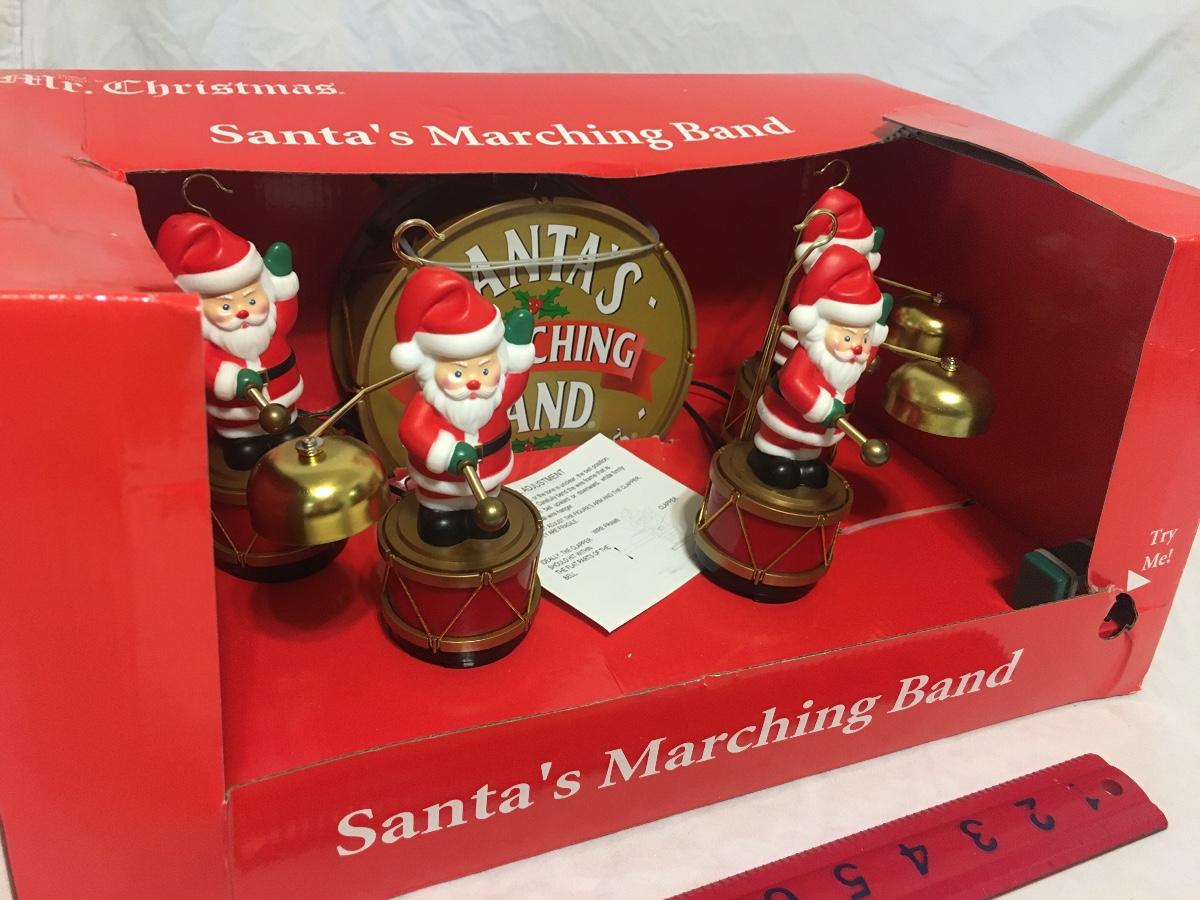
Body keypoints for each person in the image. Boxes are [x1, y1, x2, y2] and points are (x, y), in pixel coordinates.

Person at [390, 266, 535, 546]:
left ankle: (479, 522)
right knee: (441, 523)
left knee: (490, 521)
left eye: (485, 370)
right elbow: (412, 430)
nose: (474, 382)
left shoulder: (493, 397)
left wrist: (519, 350)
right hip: (441, 485)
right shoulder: (429, 403)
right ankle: (440, 516)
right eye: (458, 373)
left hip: (491, 473)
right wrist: (445, 453)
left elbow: (513, 385)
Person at [155, 212, 304, 469]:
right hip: (237, 416)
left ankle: (285, 430)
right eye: (226, 306)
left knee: (290, 436)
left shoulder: (270, 324)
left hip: (284, 397)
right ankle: (244, 440)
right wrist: (230, 380)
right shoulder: (205, 342)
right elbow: (205, 367)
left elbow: (286, 313)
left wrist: (282, 279)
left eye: (252, 300)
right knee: (244, 452)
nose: (242, 311)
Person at [752, 245, 889, 489]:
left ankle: (805, 462)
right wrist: (821, 408)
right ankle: (768, 458)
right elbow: (792, 382)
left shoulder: (850, 361)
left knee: (810, 453)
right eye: (847, 337)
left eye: (864, 338)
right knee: (781, 443)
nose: (857, 347)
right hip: (788, 416)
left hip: (820, 429)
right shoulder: (809, 355)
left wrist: (877, 334)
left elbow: (867, 357)